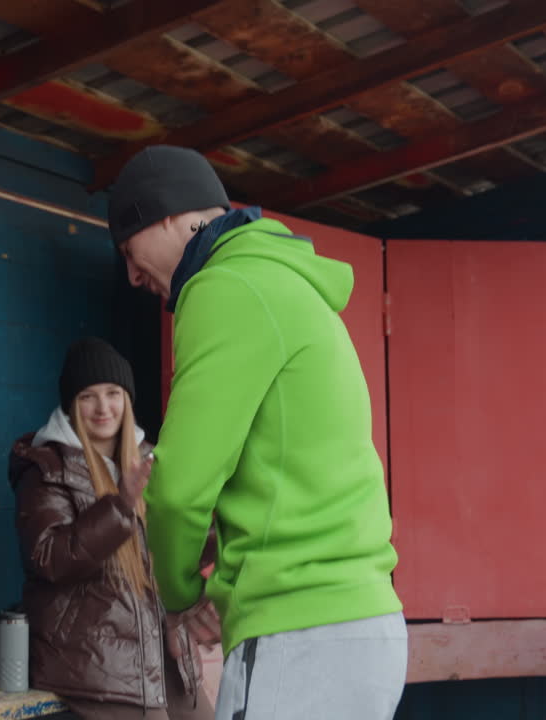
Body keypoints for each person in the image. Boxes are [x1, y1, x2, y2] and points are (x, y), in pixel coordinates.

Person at [107, 145, 407, 720]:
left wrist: (181, 598)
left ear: (170, 215)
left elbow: (178, 488)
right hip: (359, 625)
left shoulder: (224, 286)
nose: (131, 275)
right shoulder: (283, 284)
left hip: (300, 635)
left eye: (129, 248)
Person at [8, 337, 214, 720]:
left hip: (165, 654)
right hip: (96, 660)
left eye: (113, 393)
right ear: (71, 405)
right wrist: (119, 505)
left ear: (127, 399)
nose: (103, 407)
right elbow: (48, 556)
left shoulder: (152, 459)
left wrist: (215, 531)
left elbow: (183, 542)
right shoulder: (46, 468)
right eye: (88, 396)